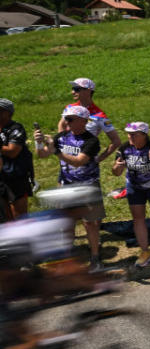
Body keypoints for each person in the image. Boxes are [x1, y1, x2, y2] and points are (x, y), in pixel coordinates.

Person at [33, 106, 105, 271]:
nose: (66, 122)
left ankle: (95, 258)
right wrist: (39, 143)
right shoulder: (62, 136)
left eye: (70, 119)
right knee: (67, 223)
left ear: (83, 121)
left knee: (91, 224)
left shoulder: (91, 141)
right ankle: (67, 259)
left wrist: (55, 150)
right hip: (67, 185)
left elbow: (79, 161)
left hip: (88, 186)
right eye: (66, 119)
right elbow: (42, 155)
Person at [111, 122, 150, 267]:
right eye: (128, 134)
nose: (130, 137)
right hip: (134, 186)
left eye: (134, 134)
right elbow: (115, 173)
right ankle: (145, 252)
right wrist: (117, 167)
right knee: (138, 218)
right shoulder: (124, 148)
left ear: (144, 135)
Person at [57, 78, 121, 165]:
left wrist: (98, 159)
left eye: (76, 89)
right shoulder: (69, 108)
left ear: (88, 91)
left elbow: (116, 141)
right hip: (67, 158)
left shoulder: (100, 115)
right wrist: (63, 143)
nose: (72, 92)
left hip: (86, 161)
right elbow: (62, 124)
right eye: (73, 89)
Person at [0, 99, 33, 219]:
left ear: (8, 113)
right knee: (5, 216)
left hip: (16, 176)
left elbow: (12, 151)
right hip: (1, 177)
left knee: (19, 217)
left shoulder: (16, 128)